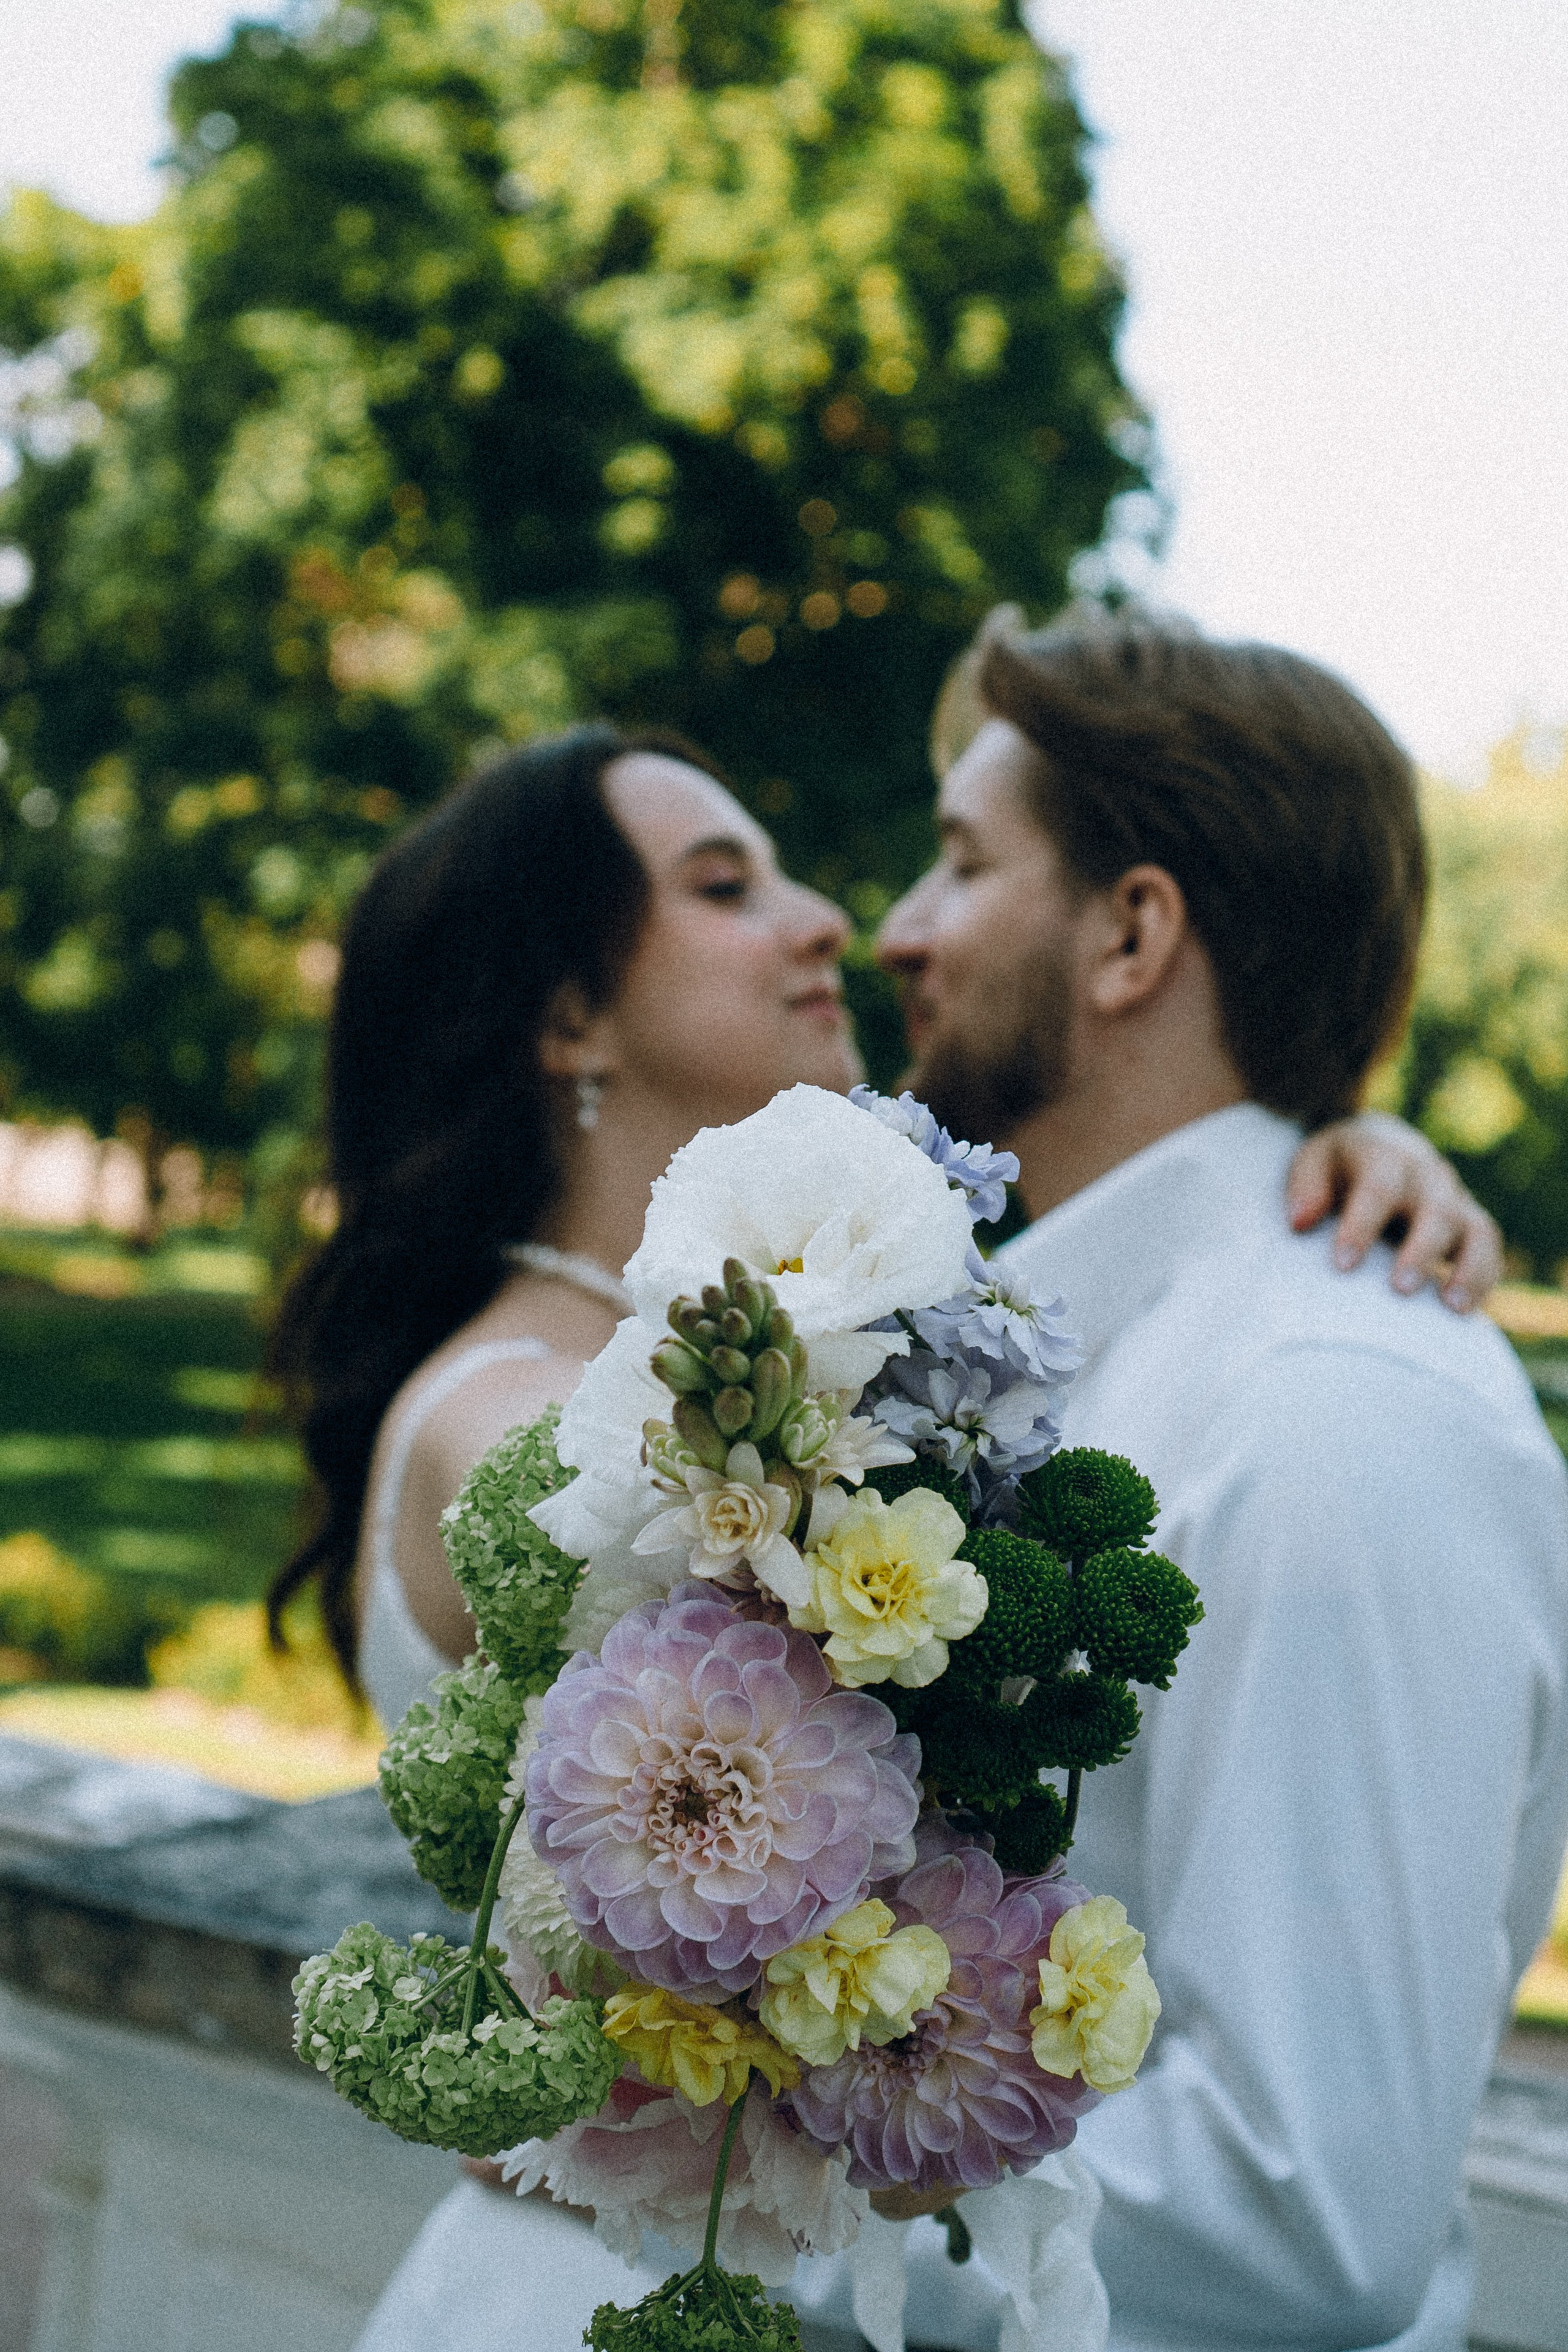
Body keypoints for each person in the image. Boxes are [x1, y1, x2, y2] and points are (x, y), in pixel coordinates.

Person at [271, 716, 1501, 2352]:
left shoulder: (772, 1352)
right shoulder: (512, 1422)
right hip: (608, 2290)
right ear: (571, 1014)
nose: (831, 920)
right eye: (726, 885)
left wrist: (1300, 1162)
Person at [872, 609, 1568, 2352]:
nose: (897, 929)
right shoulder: (1013, 1348)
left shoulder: (1338, 1415)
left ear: (1132, 932)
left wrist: (745, 2180)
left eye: (961, 864)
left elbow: (1301, 2204)